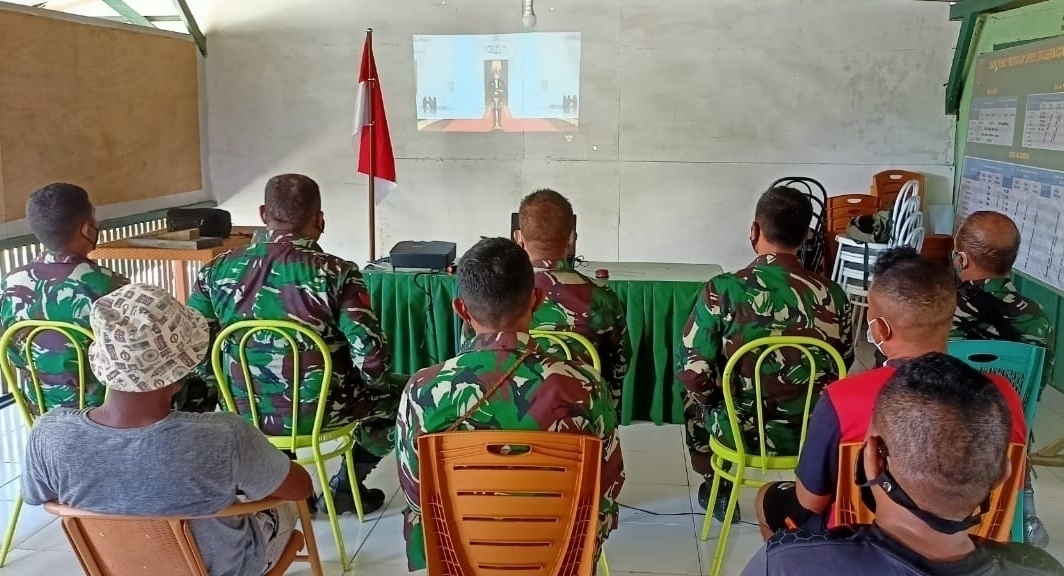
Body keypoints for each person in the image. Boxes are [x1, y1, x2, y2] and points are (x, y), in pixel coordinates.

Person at [21, 284, 314, 576]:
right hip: (224, 570)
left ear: (103, 362)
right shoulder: (223, 435)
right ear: (181, 369)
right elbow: (300, 488)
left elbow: (37, 495)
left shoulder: (48, 434)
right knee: (283, 504)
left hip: (119, 568)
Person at [754, 248, 1027, 538]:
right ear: (950, 320)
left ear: (879, 329)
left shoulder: (843, 398)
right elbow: (1010, 484)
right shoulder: (1003, 396)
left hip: (858, 544)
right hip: (970, 545)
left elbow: (810, 501)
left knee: (765, 498)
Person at [396, 238, 624, 571]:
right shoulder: (585, 385)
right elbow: (608, 487)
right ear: (537, 299)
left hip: (458, 559)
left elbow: (416, 496)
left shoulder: (421, 391)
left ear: (461, 310)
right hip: (559, 557)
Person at [187, 173, 399, 514]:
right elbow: (371, 357)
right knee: (405, 396)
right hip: (324, 410)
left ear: (262, 213)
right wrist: (373, 387)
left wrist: (225, 392)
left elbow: (195, 347)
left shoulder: (215, 271)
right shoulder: (337, 273)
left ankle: (279, 480)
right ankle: (346, 488)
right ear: (320, 220)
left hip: (244, 411)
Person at [741, 354, 1064, 576]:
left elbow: (808, 500)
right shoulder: (1041, 568)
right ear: (1003, 474)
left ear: (871, 458)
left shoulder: (787, 563)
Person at [676, 186, 853, 521]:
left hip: (739, 432)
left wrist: (715, 403)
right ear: (806, 236)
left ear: (754, 231)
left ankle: (718, 485)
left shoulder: (723, 289)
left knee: (691, 395)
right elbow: (842, 363)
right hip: (812, 432)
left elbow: (692, 372)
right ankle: (812, 493)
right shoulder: (834, 295)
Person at [952, 210, 1055, 547]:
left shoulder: (939, 309)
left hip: (944, 441)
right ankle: (1023, 517)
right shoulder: (1038, 318)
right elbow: (1035, 389)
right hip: (1010, 437)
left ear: (961, 258)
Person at [0, 183, 126, 414]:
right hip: (102, 415)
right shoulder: (111, 286)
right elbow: (132, 361)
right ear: (86, 229)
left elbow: (12, 352)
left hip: (40, 412)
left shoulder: (9, 284)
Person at [509, 188, 631, 414]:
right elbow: (620, 363)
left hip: (509, 413)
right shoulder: (601, 296)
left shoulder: (494, 295)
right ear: (572, 238)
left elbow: (471, 353)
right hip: (578, 417)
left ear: (518, 238)